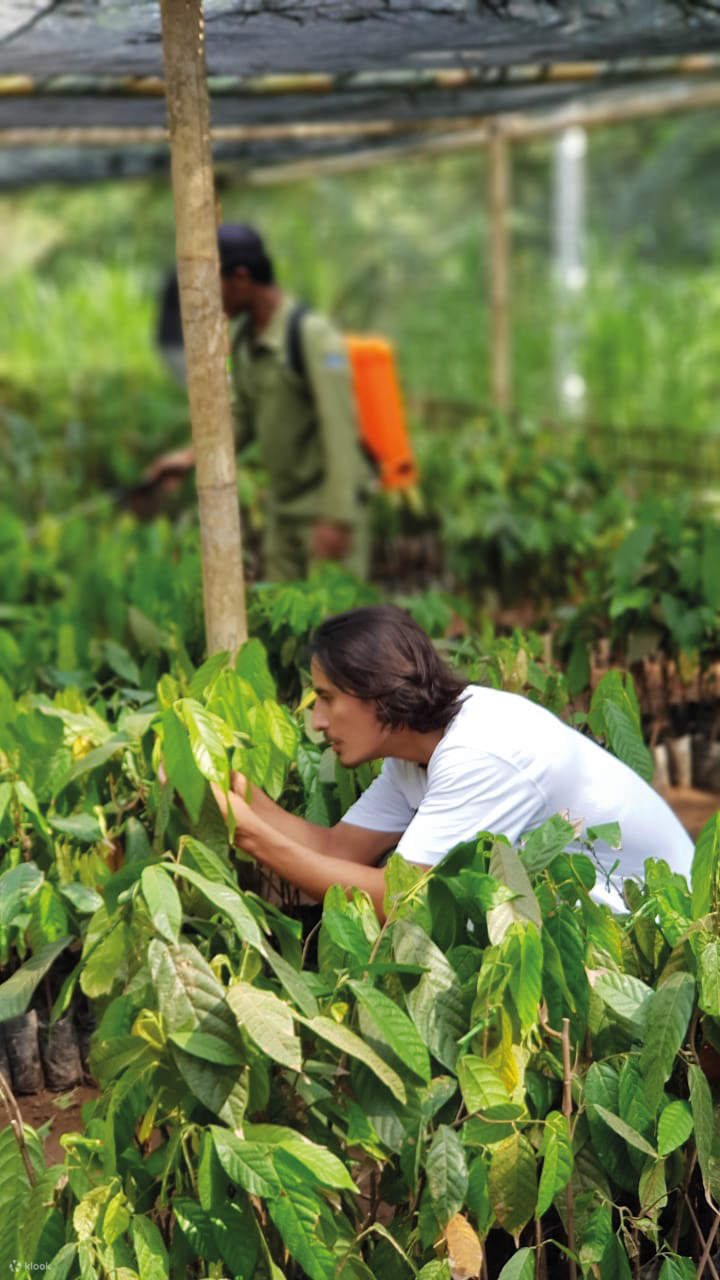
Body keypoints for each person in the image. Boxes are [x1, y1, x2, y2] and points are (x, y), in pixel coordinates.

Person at [211, 604, 694, 918]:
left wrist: (249, 833)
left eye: (326, 698)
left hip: (655, 924)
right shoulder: (414, 751)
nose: (316, 721)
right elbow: (338, 851)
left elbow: (399, 899)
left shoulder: (480, 753)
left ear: (377, 692)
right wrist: (233, 791)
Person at [152, 223, 373, 581]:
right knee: (287, 627)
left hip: (323, 511)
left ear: (240, 278)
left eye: (211, 287)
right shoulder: (245, 343)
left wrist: (337, 518)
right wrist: (189, 458)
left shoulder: (312, 336)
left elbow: (341, 430)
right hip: (284, 513)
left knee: (339, 630)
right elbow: (243, 419)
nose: (206, 301)